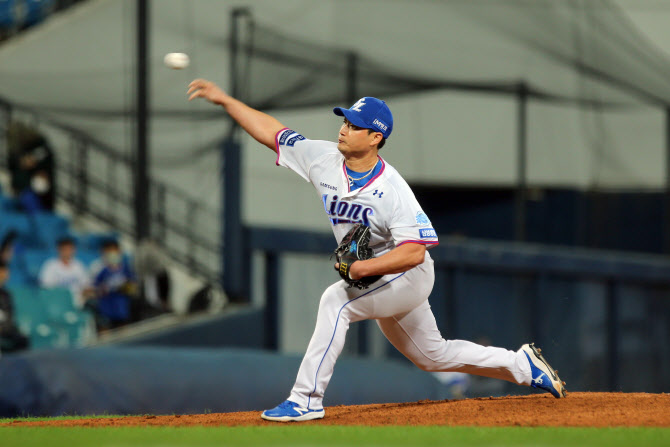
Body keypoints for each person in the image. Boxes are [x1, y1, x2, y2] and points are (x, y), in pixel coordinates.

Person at [187, 79, 567, 422]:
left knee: (336, 301)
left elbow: (415, 252)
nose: (343, 128)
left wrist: (359, 271)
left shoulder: (393, 189)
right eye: (344, 121)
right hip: (380, 277)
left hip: (407, 274)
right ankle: (522, 365)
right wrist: (226, 100)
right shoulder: (322, 160)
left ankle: (305, 399)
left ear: (375, 138)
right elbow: (274, 133)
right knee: (432, 356)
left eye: (353, 125)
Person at [90, 240, 138, 330]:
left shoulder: (125, 267)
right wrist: (105, 289)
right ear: (104, 253)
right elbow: (95, 288)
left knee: (123, 330)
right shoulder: (100, 269)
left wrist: (125, 287)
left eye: (114, 251)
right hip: (105, 306)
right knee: (105, 330)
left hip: (121, 305)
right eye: (109, 252)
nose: (112, 254)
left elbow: (133, 285)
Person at [39, 236, 93, 308]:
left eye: (70, 249)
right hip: (58, 303)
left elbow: (86, 285)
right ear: (59, 250)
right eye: (65, 249)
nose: (68, 252)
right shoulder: (50, 266)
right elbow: (46, 287)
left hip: (78, 303)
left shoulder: (79, 265)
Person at [0, 261, 30, 353]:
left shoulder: (6, 295)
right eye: (4, 271)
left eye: (7, 271)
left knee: (23, 340)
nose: (6, 275)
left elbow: (9, 316)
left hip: (7, 330)